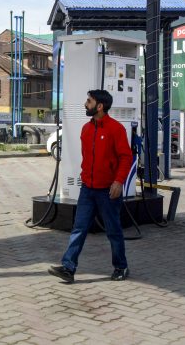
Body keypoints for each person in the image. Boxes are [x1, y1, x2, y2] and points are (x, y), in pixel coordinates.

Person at [49, 89, 133, 283]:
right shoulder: (86, 129)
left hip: (108, 190)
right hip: (88, 189)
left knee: (113, 231)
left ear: (100, 106)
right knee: (78, 229)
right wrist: (85, 176)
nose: (85, 104)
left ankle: (121, 266)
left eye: (89, 101)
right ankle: (68, 268)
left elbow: (126, 157)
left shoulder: (116, 129)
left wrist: (118, 181)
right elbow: (87, 158)